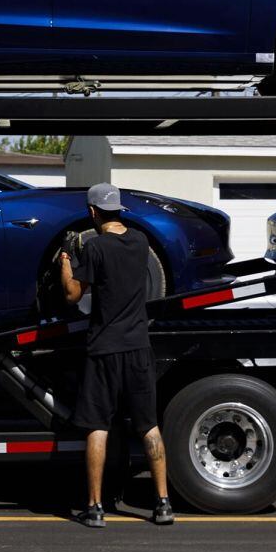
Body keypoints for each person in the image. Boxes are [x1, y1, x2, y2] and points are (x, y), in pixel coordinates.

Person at [60, 183, 173, 528]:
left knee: (97, 427)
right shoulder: (140, 242)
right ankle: (163, 504)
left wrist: (67, 258)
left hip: (104, 350)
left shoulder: (94, 248)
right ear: (118, 210)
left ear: (93, 213)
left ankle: (95, 507)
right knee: (148, 426)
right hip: (138, 347)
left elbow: (72, 294)